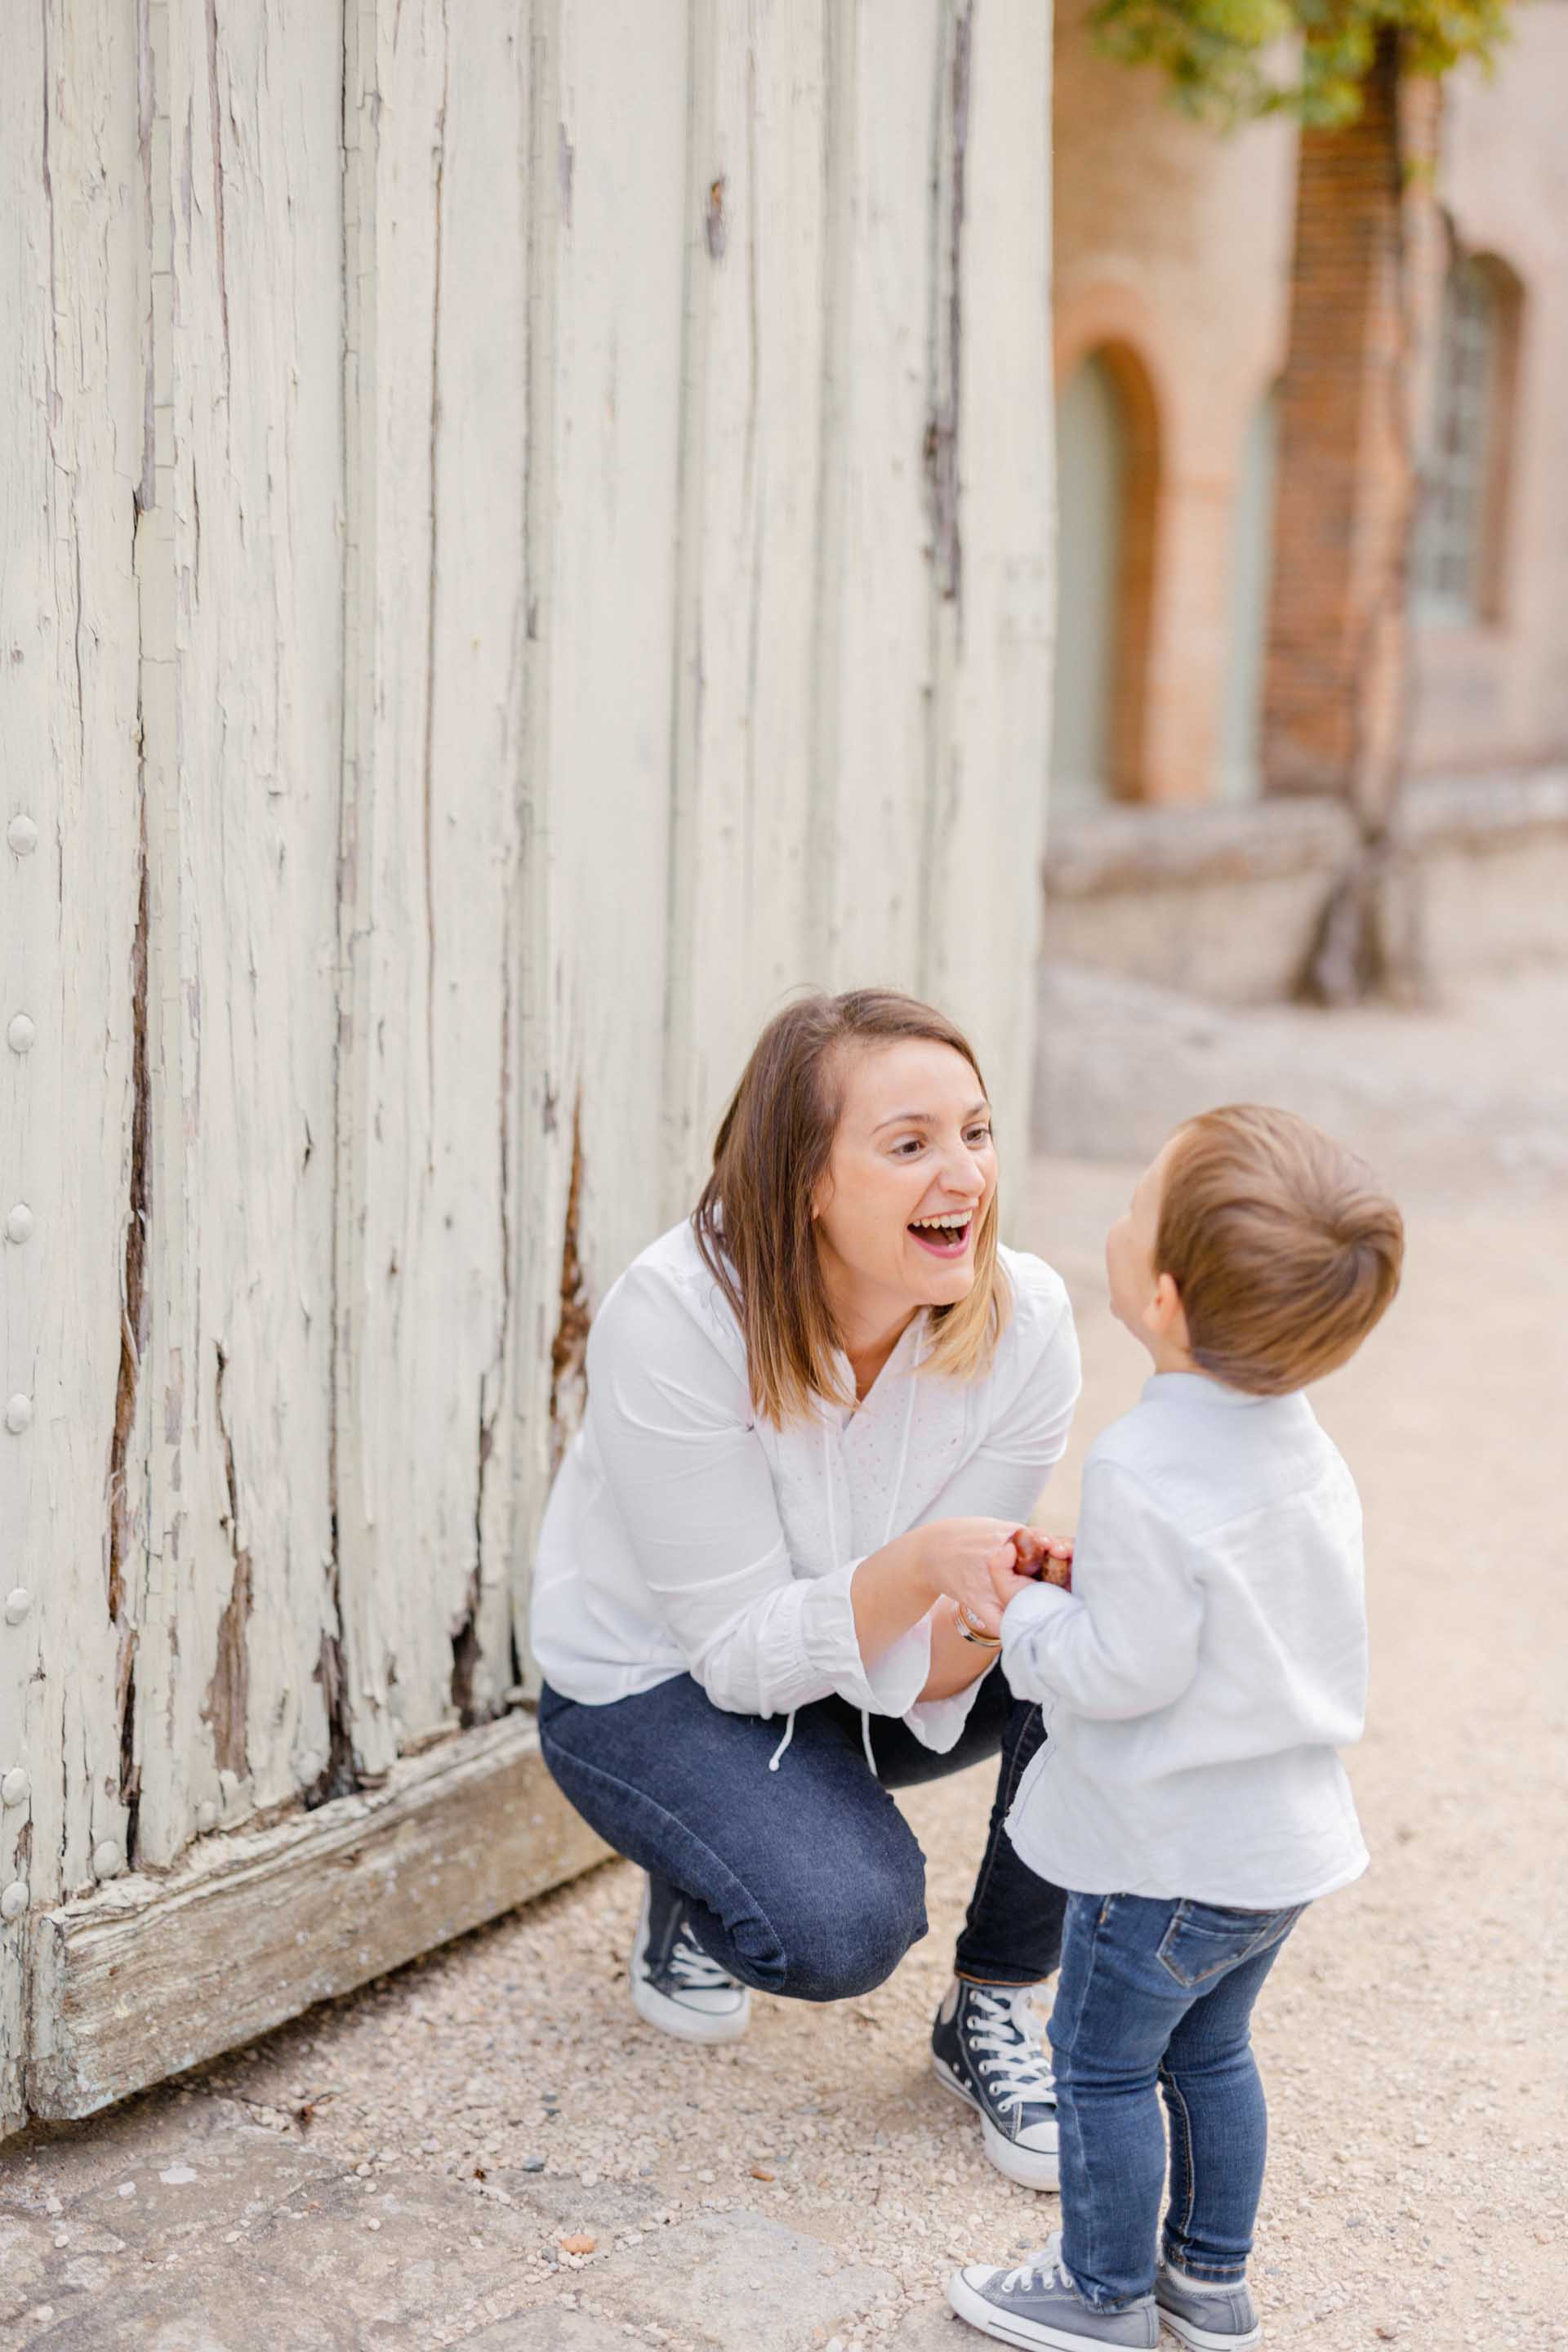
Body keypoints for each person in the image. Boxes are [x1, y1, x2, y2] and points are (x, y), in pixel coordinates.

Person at [531, 989, 1081, 2186]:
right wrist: (929, 1568)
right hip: (658, 1682)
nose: (967, 1176)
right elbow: (733, 1653)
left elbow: (933, 1666)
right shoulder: (677, 1315)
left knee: (1101, 1640)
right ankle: (698, 1866)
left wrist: (999, 1601)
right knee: (838, 1926)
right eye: (910, 1144)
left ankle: (994, 2005)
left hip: (858, 1658)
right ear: (804, 1183)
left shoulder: (1029, 1321)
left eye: (975, 1134)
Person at [946, 1105, 1404, 2350]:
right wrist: (1098, 1577)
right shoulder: (1303, 1449)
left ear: (1159, 1298)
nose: (1114, 1212)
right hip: (1277, 1853)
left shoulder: (1146, 1461)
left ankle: (1098, 2293)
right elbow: (1237, 1618)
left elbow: (1122, 1676)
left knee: (1098, 2066)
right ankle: (1207, 2286)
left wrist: (1028, 1618)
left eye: (1132, 1201)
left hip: (1165, 1859)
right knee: (1210, 2059)